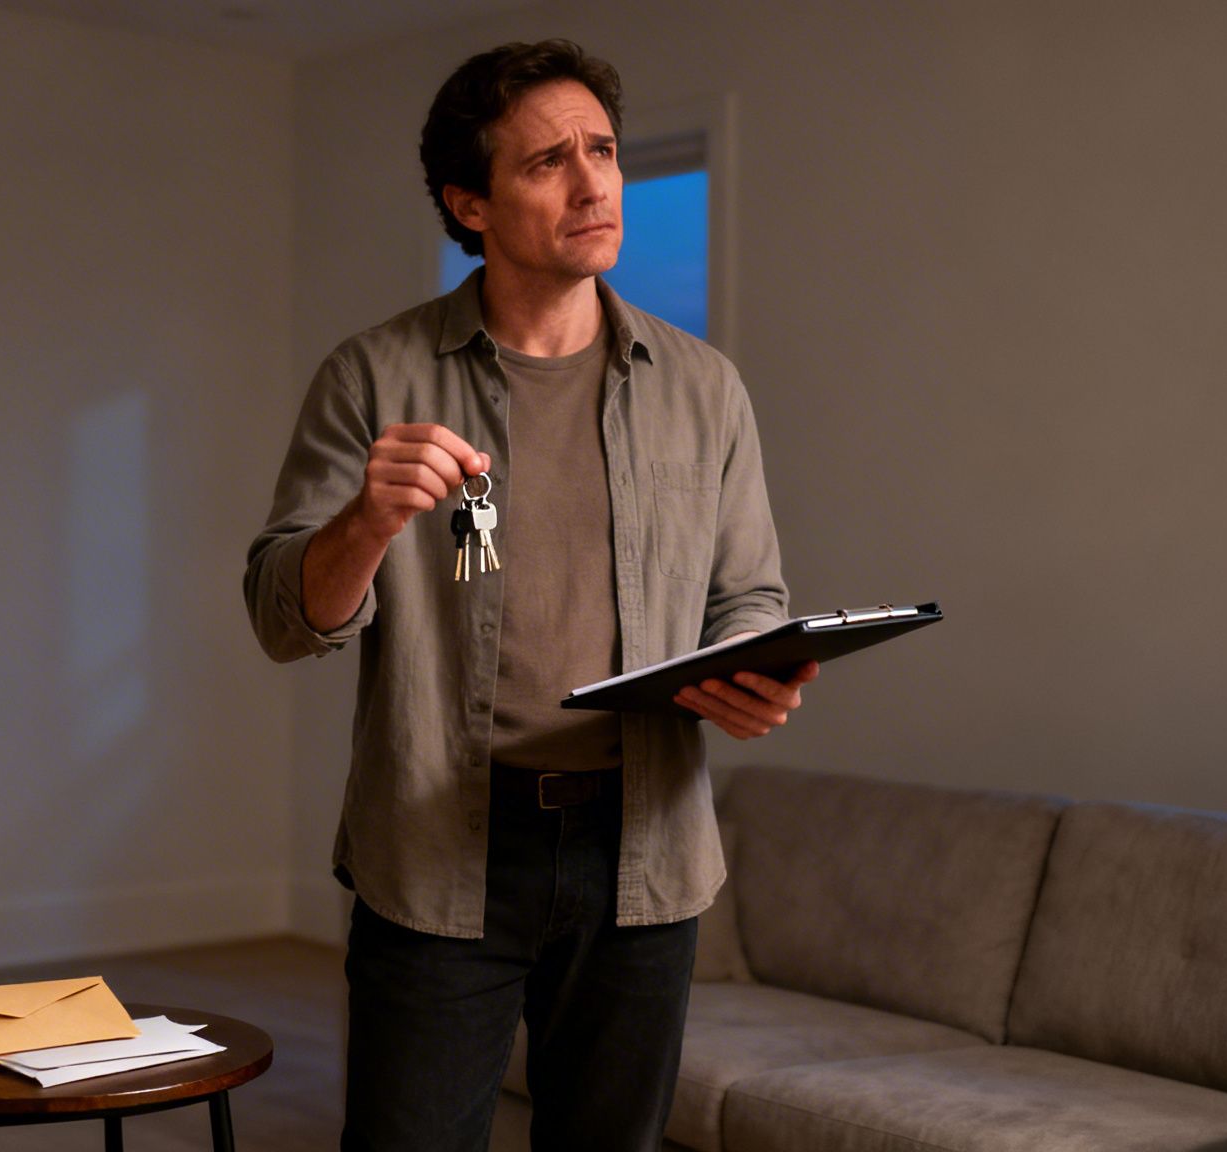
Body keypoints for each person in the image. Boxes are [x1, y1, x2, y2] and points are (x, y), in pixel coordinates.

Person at [243, 38, 817, 1152]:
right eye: (548, 161)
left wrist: (747, 669)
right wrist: (367, 522)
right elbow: (280, 616)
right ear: (470, 204)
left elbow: (748, 595)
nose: (594, 182)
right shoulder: (373, 378)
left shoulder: (703, 389)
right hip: (440, 856)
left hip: (642, 858)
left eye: (601, 149)